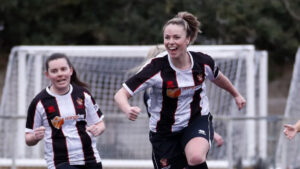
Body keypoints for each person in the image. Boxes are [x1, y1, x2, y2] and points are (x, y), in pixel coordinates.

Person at [114, 11, 246, 169]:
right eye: (167, 38)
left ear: (188, 39)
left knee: (196, 157)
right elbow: (121, 94)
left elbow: (218, 77)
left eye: (176, 37)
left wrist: (236, 94)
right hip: (164, 133)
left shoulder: (202, 62)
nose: (170, 42)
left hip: (196, 120)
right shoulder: (155, 68)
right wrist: (127, 108)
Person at [25, 53, 105, 169]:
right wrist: (35, 137)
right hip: (60, 162)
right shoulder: (39, 102)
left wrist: (98, 129)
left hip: (90, 158)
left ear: (70, 71)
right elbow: (28, 138)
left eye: (63, 69)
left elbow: (100, 124)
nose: (60, 74)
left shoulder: (83, 94)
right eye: (54, 71)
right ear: (47, 75)